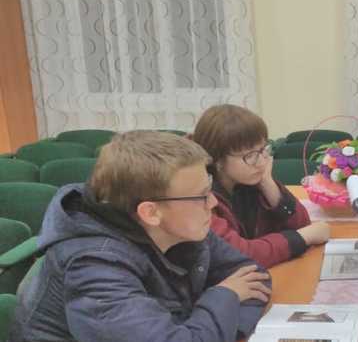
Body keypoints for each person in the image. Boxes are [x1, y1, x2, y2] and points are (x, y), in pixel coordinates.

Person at [10, 131, 272, 342]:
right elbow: (233, 290)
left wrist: (212, 331)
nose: (213, 203)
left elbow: (253, 277)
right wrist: (225, 296)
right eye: (201, 195)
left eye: (210, 189)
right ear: (150, 212)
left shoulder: (181, 225)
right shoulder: (94, 269)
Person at [191, 104, 329, 268]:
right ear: (218, 160)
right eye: (250, 155)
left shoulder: (248, 182)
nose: (261, 162)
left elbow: (301, 224)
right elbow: (237, 254)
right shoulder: (201, 198)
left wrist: (267, 183)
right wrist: (302, 237)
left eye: (263, 150)